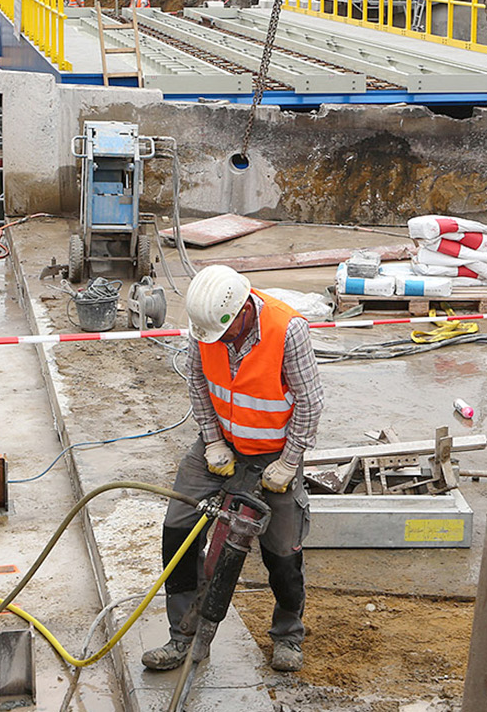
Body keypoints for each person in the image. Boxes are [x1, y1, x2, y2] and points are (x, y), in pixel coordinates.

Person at [142, 266, 323, 674]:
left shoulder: (287, 330)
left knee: (282, 551)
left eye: (223, 333)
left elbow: (310, 404)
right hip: (223, 444)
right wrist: (212, 441)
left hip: (275, 454)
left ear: (242, 311)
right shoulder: (206, 327)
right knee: (179, 529)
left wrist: (289, 462)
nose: (217, 341)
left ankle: (288, 635)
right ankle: (182, 638)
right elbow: (198, 384)